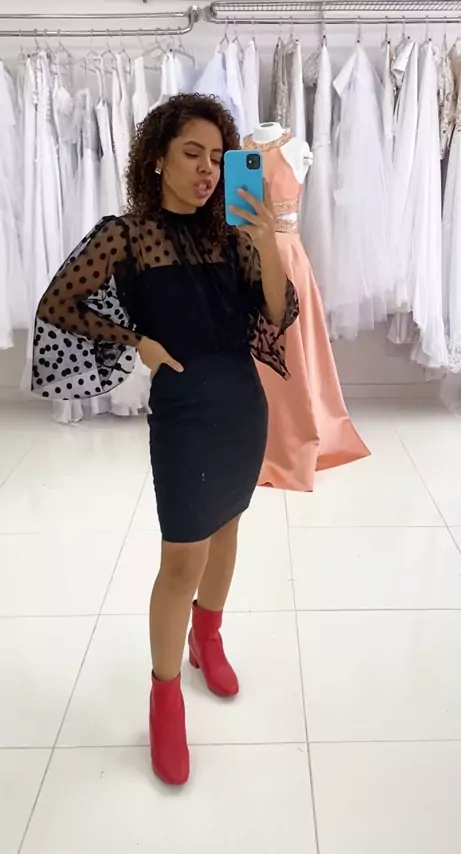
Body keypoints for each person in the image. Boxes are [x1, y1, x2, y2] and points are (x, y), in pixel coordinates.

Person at [31, 94, 299, 785]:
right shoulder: (126, 236)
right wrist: (137, 341)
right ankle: (165, 697)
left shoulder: (232, 235)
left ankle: (208, 637)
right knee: (181, 559)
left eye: (217, 157)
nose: (208, 169)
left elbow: (278, 313)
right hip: (182, 412)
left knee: (228, 529)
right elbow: (59, 302)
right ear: (157, 159)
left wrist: (268, 239)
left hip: (242, 403)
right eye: (192, 153)